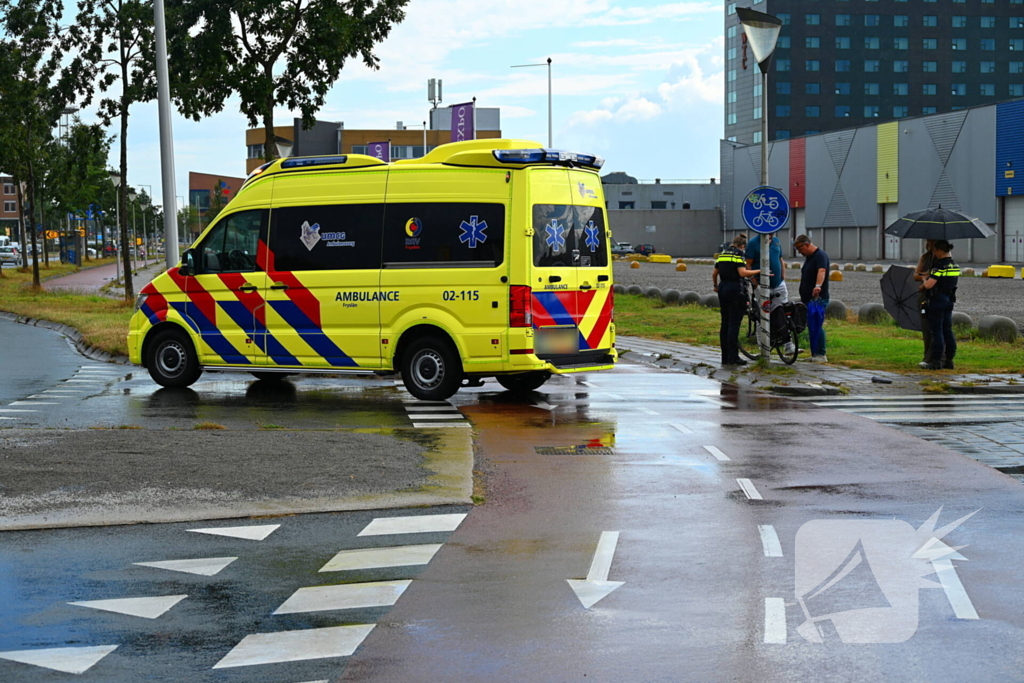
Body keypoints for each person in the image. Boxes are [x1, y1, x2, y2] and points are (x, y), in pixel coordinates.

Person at [713, 235, 762, 366]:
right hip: (735, 289)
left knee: (725, 323)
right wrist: (761, 271)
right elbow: (742, 272)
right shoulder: (739, 254)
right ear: (743, 246)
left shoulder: (722, 254)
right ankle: (734, 357)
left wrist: (715, 286)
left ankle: (725, 357)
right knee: (734, 324)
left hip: (723, 288)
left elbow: (714, 273)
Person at [746, 233, 795, 355]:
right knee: (762, 315)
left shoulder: (777, 241)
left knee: (783, 312)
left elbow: (780, 259)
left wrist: (783, 276)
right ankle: (763, 347)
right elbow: (748, 265)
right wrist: (755, 283)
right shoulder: (753, 243)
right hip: (762, 285)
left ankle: (787, 344)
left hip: (778, 284)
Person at [919, 240, 959, 370]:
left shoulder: (940, 266)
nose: (934, 253)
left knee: (936, 331)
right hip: (949, 300)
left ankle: (935, 361)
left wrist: (925, 279)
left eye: (935, 250)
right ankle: (949, 360)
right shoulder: (954, 265)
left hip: (937, 301)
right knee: (947, 330)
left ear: (940, 250)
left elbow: (929, 285)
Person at [793, 234, 830, 362]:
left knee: (816, 324)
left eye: (800, 249)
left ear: (807, 244)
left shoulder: (820, 256)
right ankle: (814, 354)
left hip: (817, 298)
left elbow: (822, 271)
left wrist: (818, 286)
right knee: (811, 325)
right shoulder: (809, 257)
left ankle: (821, 354)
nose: (799, 252)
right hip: (807, 298)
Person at [913, 240, 937, 369]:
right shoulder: (925, 257)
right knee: (926, 327)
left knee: (936, 329)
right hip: (924, 296)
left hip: (936, 295)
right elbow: (916, 275)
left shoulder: (943, 259)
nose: (929, 243)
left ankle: (935, 357)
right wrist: (924, 276)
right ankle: (927, 356)